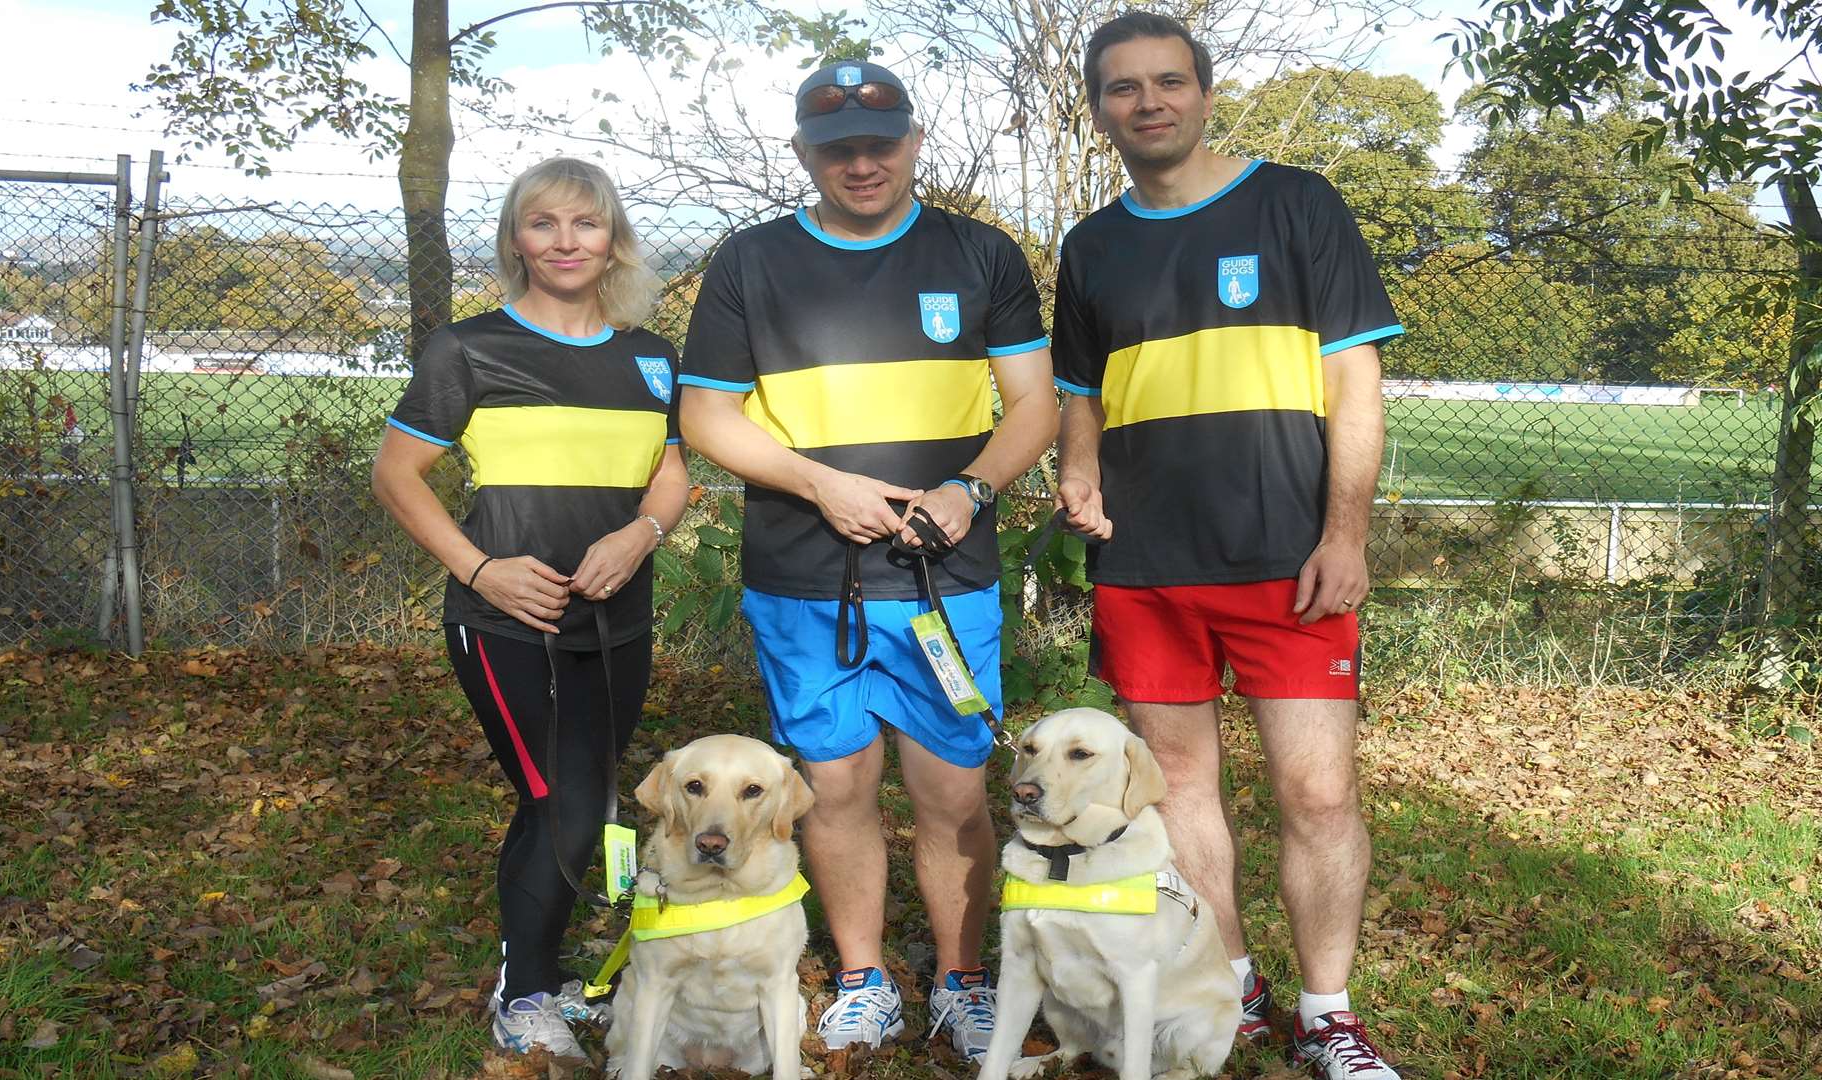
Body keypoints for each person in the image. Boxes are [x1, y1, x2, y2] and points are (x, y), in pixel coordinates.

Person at [677, 60, 1057, 1064]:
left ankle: (963, 980)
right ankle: (861, 980)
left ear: (914, 142)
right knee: (836, 791)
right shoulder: (750, 263)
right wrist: (820, 485)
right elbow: (706, 415)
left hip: (948, 582)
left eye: (880, 143)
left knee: (955, 794)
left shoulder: (981, 255)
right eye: (836, 147)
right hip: (805, 583)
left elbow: (1035, 406)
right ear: (802, 152)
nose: (861, 163)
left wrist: (967, 491)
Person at [1051, 13, 1405, 1079]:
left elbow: (1355, 383)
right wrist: (1077, 472)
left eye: (1168, 82)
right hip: (1146, 570)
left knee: (1319, 794)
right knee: (1179, 791)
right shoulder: (1090, 245)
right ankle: (1232, 981)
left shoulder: (1297, 202)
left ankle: (1328, 1015)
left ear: (1205, 94)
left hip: (1288, 559)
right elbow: (1080, 395)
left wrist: (1346, 531)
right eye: (1124, 88)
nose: (1148, 102)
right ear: (1100, 108)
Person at [372, 158, 688, 1061]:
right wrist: (482, 569)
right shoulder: (468, 349)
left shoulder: (652, 357)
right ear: (517, 240)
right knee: (563, 800)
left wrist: (640, 537)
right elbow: (396, 474)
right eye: (542, 224)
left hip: (617, 621)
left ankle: (539, 976)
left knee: (583, 795)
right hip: (506, 624)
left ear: (613, 239)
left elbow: (671, 475)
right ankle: (525, 997)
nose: (565, 242)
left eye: (584, 225)